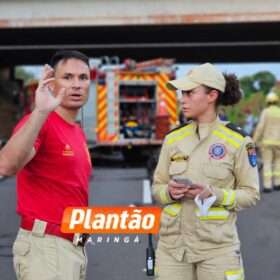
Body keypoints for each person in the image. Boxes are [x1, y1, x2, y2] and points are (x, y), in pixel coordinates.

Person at [152, 63, 260, 280]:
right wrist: (170, 192)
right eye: (182, 93)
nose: (182, 98)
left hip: (217, 250)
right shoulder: (173, 139)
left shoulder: (238, 141)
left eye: (190, 92)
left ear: (212, 96)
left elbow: (251, 193)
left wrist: (215, 194)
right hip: (173, 249)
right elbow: (157, 187)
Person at [0, 50, 92, 280]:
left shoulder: (76, 131)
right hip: (47, 249)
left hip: (73, 247)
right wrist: (40, 111)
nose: (76, 85)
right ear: (51, 84)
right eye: (67, 77)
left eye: (83, 78)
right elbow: (6, 166)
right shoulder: (41, 122)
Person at [253, 92, 280, 193]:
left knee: (267, 163)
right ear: (276, 101)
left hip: (267, 142)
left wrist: (254, 141)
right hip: (279, 143)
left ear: (268, 102)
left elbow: (260, 128)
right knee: (278, 162)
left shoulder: (266, 112)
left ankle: (267, 186)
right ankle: (277, 184)